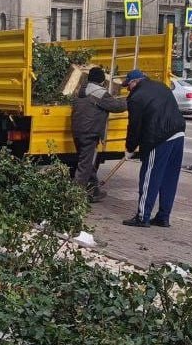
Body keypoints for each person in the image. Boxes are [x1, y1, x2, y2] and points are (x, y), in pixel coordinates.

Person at [121, 69, 186, 228]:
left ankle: (143, 217)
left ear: (134, 82)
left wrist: (130, 148)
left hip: (158, 138)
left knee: (150, 177)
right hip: (178, 134)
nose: (128, 89)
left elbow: (134, 127)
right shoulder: (161, 87)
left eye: (128, 86)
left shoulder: (136, 98)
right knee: (169, 178)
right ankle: (163, 217)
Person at [70, 66, 126, 203]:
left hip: (78, 131)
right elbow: (117, 107)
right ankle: (74, 196)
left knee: (87, 163)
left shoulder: (80, 89)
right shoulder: (99, 92)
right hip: (90, 133)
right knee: (85, 165)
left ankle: (94, 191)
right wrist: (131, 100)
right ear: (101, 80)